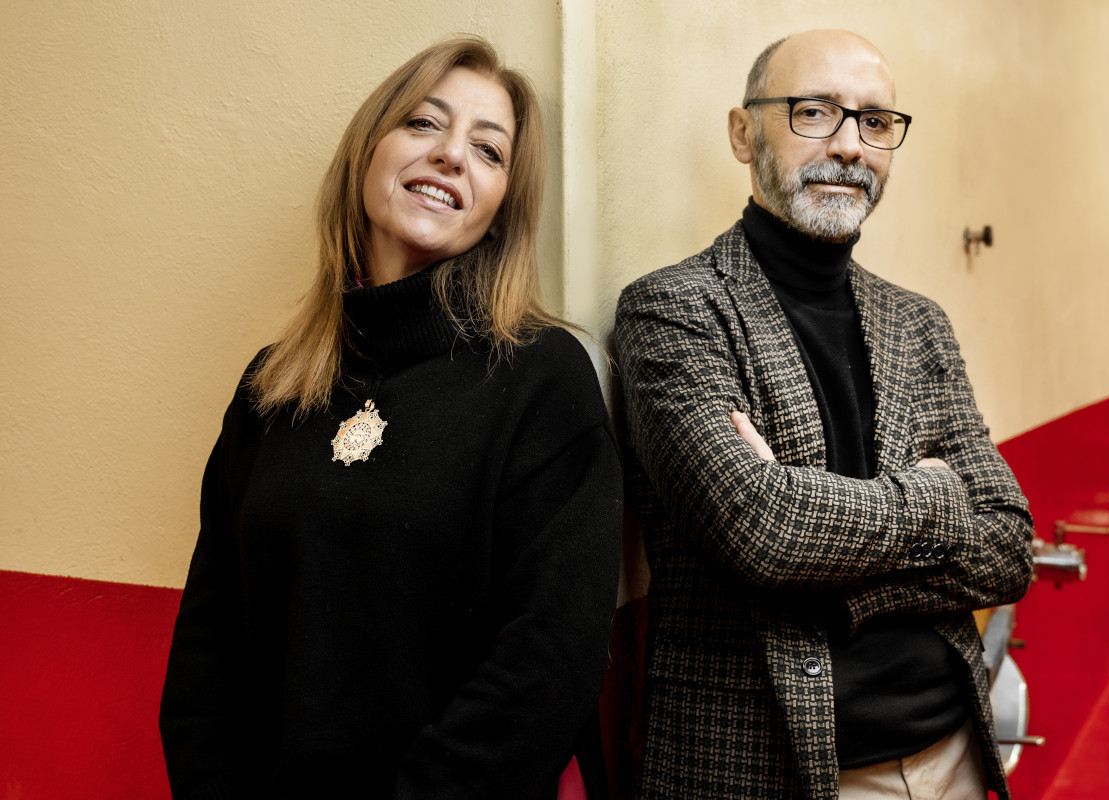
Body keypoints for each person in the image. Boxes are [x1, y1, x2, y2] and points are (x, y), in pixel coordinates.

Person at [160, 35, 622, 800]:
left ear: (502, 207)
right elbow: (210, 651)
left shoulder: (544, 379)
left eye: (489, 150)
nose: (450, 156)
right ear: (367, 153)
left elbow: (549, 659)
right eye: (423, 123)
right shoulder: (270, 389)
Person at [614, 30, 1033, 800]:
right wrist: (937, 501)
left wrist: (825, 560)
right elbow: (761, 529)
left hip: (955, 757)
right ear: (744, 134)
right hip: (772, 769)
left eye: (875, 122)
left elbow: (1008, 546)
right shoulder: (674, 310)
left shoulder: (919, 325)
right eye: (815, 112)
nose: (849, 146)